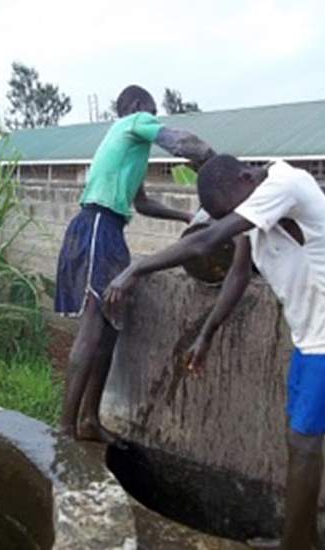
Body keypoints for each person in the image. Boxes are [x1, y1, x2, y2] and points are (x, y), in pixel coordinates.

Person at [103, 155, 325, 550]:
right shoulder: (252, 204)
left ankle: (295, 546)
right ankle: (301, 539)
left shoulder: (285, 184)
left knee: (304, 443)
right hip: (308, 336)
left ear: (246, 177)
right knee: (297, 439)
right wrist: (207, 334)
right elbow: (236, 274)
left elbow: (204, 241)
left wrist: (136, 269)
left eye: (231, 213)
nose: (235, 221)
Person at [56, 84, 215, 448]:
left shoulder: (130, 151)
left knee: (110, 329)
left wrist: (187, 216)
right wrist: (215, 162)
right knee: (93, 327)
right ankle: (64, 432)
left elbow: (141, 202)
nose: (154, 119)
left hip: (110, 229)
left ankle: (88, 419)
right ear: (138, 106)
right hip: (97, 224)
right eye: (152, 111)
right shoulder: (134, 122)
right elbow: (182, 143)